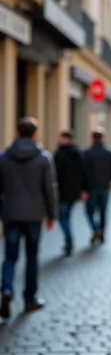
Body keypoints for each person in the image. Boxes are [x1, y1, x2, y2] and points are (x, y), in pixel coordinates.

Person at [0, 117, 57, 319]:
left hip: (11, 213)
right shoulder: (43, 158)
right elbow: (49, 189)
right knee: (32, 257)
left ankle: (6, 290)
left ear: (16, 133)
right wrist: (52, 215)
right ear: (35, 134)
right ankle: (30, 299)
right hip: (34, 214)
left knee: (9, 257)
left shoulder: (4, 157)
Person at [83, 128, 111, 245]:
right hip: (105, 186)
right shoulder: (109, 152)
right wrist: (109, 179)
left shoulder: (87, 153)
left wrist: (84, 187)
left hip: (91, 187)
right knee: (103, 212)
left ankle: (95, 229)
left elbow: (83, 172)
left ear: (92, 139)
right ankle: (102, 234)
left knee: (89, 211)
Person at [54, 131, 88, 256]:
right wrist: (84, 189)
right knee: (66, 216)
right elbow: (84, 173)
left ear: (65, 139)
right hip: (74, 192)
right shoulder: (78, 153)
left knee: (62, 217)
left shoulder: (59, 154)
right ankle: (69, 241)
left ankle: (69, 241)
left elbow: (54, 175)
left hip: (62, 192)